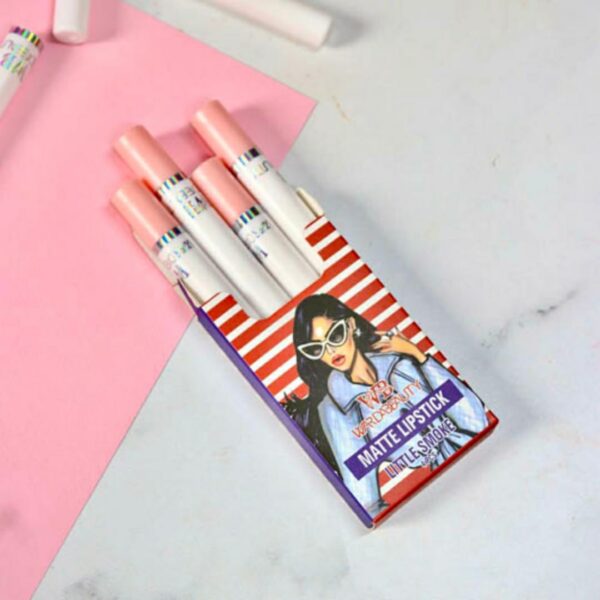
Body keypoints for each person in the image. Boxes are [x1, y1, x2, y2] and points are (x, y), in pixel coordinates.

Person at [285, 294, 489, 517]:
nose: (330, 351)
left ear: (351, 325)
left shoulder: (399, 358)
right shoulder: (334, 409)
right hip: (433, 497)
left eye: (335, 335)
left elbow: (476, 421)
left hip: (480, 456)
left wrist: (419, 356)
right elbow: (364, 495)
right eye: (316, 349)